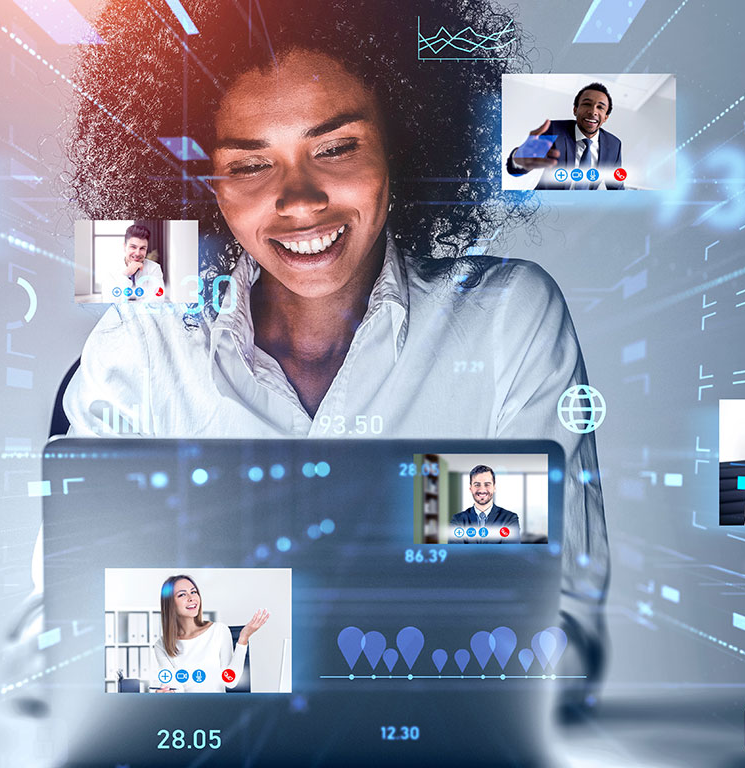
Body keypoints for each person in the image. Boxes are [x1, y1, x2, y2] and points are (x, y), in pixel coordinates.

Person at [54, 0, 608, 708]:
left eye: (336, 148)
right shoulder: (144, 343)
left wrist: (253, 633)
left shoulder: (508, 322)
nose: (298, 199)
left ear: (402, 142)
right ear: (208, 190)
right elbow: (78, 634)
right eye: (250, 165)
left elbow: (553, 620)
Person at [150, 575, 269, 692]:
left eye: (193, 592)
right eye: (182, 594)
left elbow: (231, 682)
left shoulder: (219, 630)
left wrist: (243, 638)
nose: (191, 598)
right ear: (170, 604)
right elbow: (174, 687)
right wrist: (166, 692)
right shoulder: (162, 645)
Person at [506, 82, 625, 190]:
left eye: (600, 107)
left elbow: (616, 187)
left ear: (605, 117)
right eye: (587, 104)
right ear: (575, 110)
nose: (593, 111)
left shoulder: (614, 145)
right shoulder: (554, 130)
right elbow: (516, 168)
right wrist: (519, 159)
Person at [449, 465, 521, 543]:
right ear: (471, 488)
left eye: (487, 484)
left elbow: (511, 553)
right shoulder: (458, 520)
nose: (482, 489)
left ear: (494, 487)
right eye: (477, 485)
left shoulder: (509, 519)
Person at [109, 224, 166, 302]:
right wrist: (126, 275)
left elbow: (158, 299)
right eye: (133, 247)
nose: (137, 253)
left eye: (142, 248)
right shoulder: (111, 270)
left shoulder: (154, 268)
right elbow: (110, 301)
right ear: (124, 247)